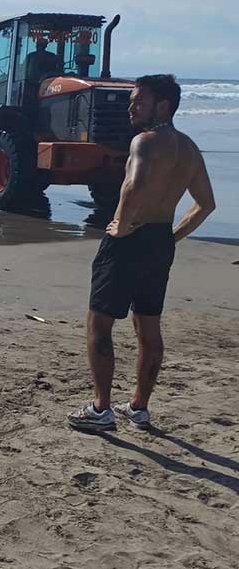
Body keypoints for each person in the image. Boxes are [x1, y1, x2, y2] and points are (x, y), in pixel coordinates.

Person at [68, 74, 215, 432]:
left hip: (129, 241)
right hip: (159, 241)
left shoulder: (145, 142)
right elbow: (206, 204)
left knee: (99, 325)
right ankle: (139, 407)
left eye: (139, 101)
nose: (132, 107)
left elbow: (134, 184)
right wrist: (172, 237)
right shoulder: (189, 148)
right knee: (147, 325)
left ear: (162, 106)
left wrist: (121, 223)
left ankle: (101, 409)